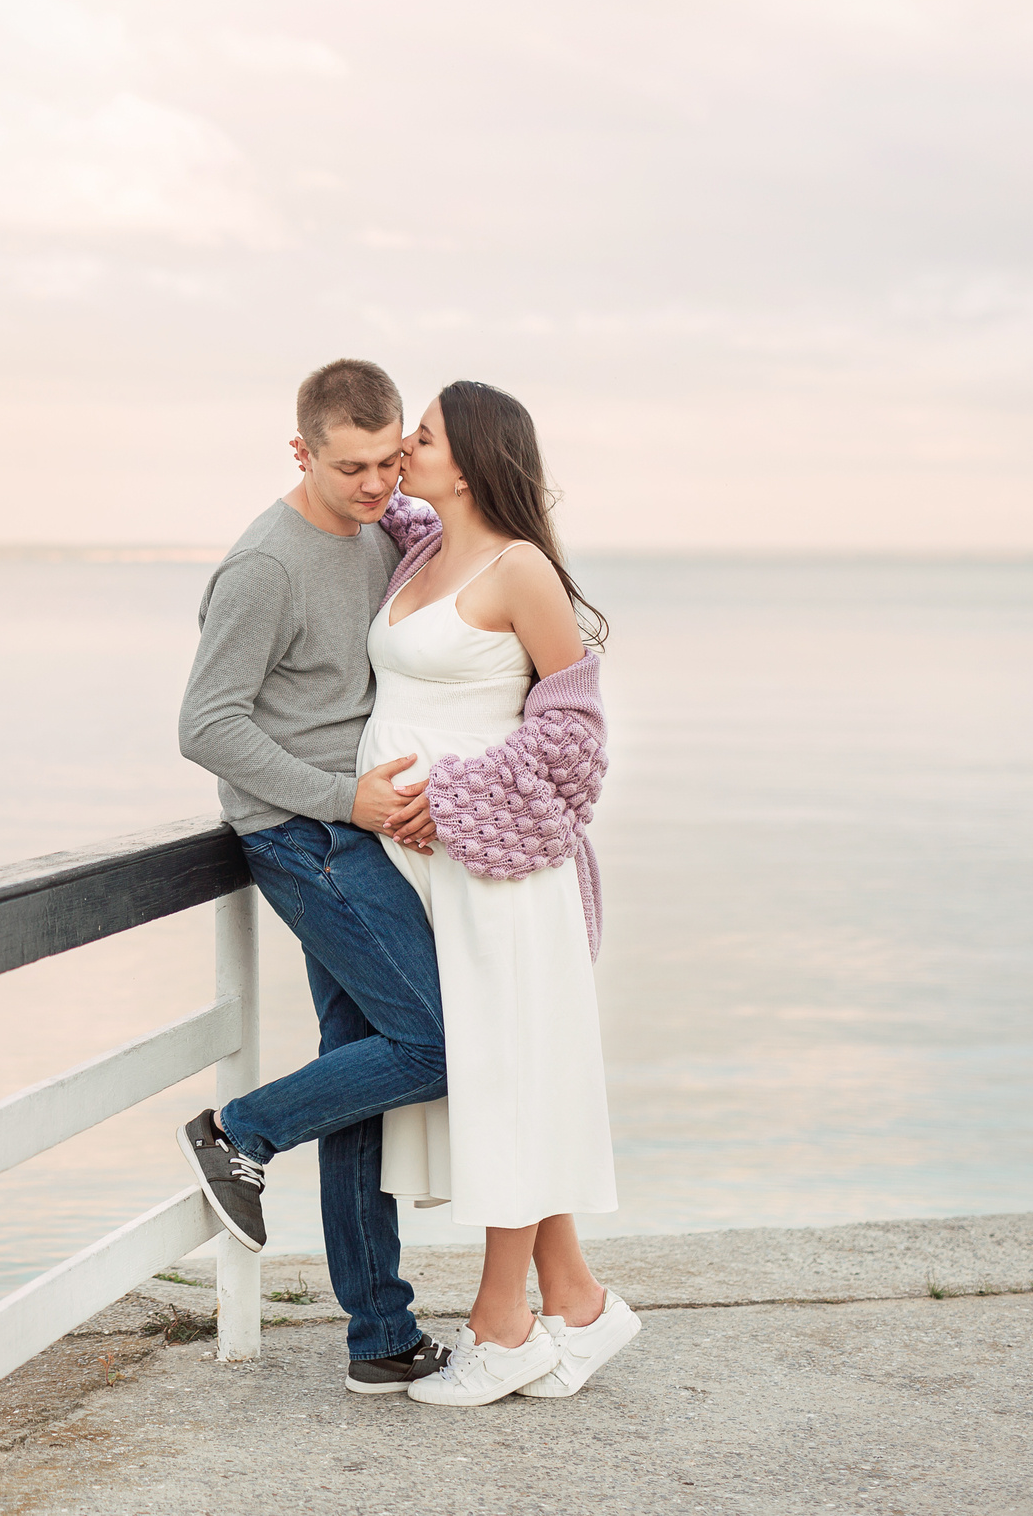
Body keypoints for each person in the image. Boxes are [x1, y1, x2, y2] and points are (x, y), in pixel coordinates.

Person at [173, 357, 455, 1396]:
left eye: (389, 462)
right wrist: (344, 801)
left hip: (361, 833)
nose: (377, 485)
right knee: (439, 1041)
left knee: (365, 1072)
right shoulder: (264, 566)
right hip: (307, 839)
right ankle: (237, 1130)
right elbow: (205, 726)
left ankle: (378, 1337)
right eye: (351, 468)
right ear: (300, 453)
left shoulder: (385, 531)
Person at [357, 379, 638, 1407]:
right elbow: (374, 500)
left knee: (505, 1083)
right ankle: (575, 1299)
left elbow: (572, 736)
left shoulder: (520, 570)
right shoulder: (425, 547)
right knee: (498, 1078)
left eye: (417, 437)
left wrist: (458, 800)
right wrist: (334, 469)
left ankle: (500, 1325)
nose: (400, 447)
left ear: (469, 460)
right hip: (431, 866)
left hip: (497, 867)